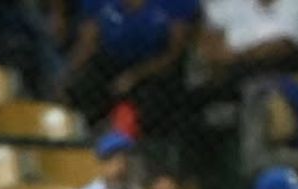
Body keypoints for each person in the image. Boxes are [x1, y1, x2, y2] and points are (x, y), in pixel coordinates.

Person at [64, 0, 198, 132]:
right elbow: (88, 43)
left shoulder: (178, 3)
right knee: (80, 88)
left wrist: (134, 76)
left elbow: (173, 53)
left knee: (147, 100)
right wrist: (66, 75)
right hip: (110, 61)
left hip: (155, 68)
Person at [199, 0, 298, 81]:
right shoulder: (231, 4)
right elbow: (209, 42)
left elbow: (281, 48)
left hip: (285, 78)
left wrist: (233, 58)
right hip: (230, 80)